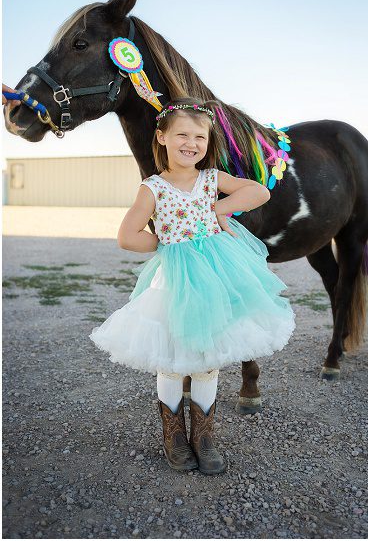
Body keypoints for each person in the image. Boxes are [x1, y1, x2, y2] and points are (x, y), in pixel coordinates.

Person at [90, 98, 295, 475]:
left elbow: (259, 192)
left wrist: (219, 209)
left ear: (207, 141)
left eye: (199, 136)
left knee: (207, 359)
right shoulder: (153, 187)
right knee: (171, 360)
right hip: (175, 280)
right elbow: (127, 236)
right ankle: (173, 435)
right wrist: (168, 244)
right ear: (162, 137)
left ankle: (204, 436)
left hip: (215, 277)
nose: (191, 142)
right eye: (182, 134)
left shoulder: (212, 179)